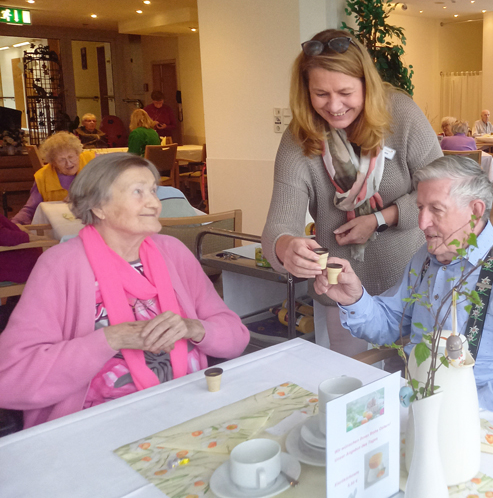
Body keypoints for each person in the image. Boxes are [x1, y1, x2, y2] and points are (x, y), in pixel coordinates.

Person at [0, 153, 249, 428]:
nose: (154, 203)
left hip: (189, 407)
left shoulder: (173, 252)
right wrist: (109, 339)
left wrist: (194, 328)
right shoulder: (60, 266)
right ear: (98, 207)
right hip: (98, 424)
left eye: (153, 190)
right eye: (138, 192)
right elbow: (9, 379)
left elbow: (237, 337)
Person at [315, 156, 493, 423]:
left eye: (436, 209)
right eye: (420, 208)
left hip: (486, 422)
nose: (422, 222)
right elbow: (391, 324)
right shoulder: (426, 258)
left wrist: (456, 409)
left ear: (476, 210)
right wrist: (355, 298)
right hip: (417, 409)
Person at [261, 29, 442, 357]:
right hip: (340, 288)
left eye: (345, 92)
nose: (334, 106)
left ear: (366, 85)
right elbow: (278, 225)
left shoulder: (400, 116)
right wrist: (285, 247)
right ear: (305, 92)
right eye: (320, 94)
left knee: (413, 377)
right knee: (353, 383)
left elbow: (441, 194)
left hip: (408, 281)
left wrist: (380, 219)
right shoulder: (300, 138)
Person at [12, 132, 89, 225]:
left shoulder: (92, 164)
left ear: (78, 154)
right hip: (60, 225)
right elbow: (30, 209)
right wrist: (13, 224)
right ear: (53, 163)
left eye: (71, 157)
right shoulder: (43, 177)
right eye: (62, 160)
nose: (69, 163)